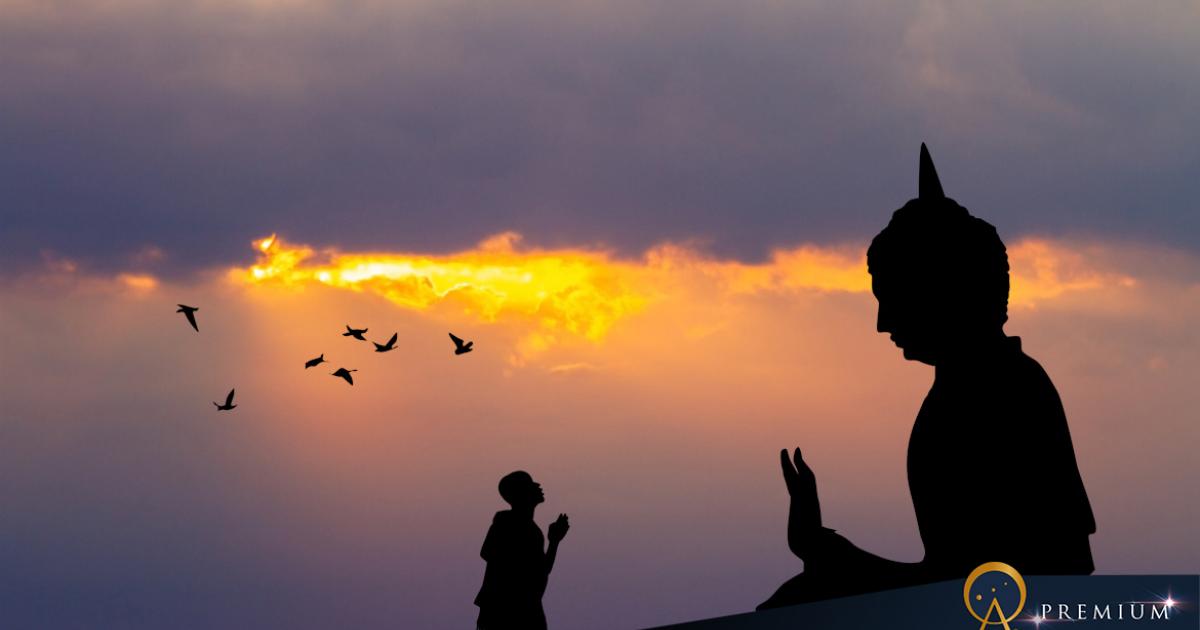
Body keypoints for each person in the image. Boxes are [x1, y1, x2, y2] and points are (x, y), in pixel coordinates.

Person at [759, 144, 1096, 608]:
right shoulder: (964, 394)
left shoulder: (1008, 392)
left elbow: (981, 590)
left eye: (892, 297)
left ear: (942, 291)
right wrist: (827, 551)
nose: (882, 322)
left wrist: (830, 555)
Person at [475, 471, 570, 629]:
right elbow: (487, 553)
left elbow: (542, 569)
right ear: (521, 494)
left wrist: (554, 541)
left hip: (527, 610)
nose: (537, 485)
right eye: (530, 484)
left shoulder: (533, 531)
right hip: (506, 611)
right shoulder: (505, 523)